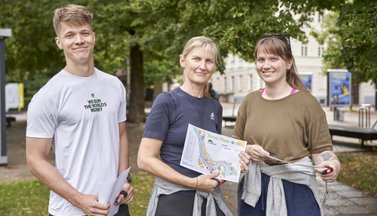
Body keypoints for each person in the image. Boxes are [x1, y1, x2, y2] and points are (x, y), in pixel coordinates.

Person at [26, 4, 133, 216]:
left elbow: (121, 135)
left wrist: (124, 180)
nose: (79, 40)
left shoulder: (114, 85)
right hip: (70, 210)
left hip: (115, 207)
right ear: (59, 42)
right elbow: (35, 159)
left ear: (93, 36)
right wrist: (79, 199)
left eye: (84, 33)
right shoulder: (48, 96)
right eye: (70, 35)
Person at [233, 34, 341, 216]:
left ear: (289, 62)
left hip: (296, 190)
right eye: (261, 59)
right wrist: (247, 149)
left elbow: (321, 150)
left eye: (273, 59)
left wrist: (331, 165)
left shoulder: (308, 103)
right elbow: (235, 142)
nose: (266, 65)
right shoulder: (249, 101)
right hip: (254, 190)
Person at [137, 36, 234, 216]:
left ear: (215, 67)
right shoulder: (167, 101)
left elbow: (211, 158)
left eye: (209, 61)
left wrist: (233, 163)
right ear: (183, 60)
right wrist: (194, 183)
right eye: (196, 59)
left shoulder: (215, 106)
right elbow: (145, 159)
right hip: (174, 201)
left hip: (208, 201)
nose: (202, 66)